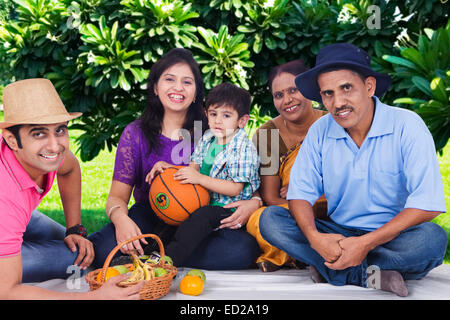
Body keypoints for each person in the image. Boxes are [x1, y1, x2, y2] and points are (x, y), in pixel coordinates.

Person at [259, 43, 448, 297]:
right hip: (337, 232)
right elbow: (299, 194)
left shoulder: (407, 125)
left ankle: (332, 269)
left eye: (346, 88)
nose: (338, 102)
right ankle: (369, 273)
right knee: (271, 220)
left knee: (432, 240)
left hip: (392, 235)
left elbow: (428, 203)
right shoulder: (311, 131)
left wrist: (365, 243)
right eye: (327, 93)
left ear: (369, 87)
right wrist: (315, 238)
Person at [89, 48, 261, 270]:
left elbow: (242, 178)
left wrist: (254, 203)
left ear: (196, 91)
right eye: (169, 79)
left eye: (187, 82)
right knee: (103, 250)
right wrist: (121, 220)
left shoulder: (212, 130)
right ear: (155, 87)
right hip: (153, 213)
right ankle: (164, 252)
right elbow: (116, 197)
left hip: (201, 218)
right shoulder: (135, 133)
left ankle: (155, 255)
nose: (178, 88)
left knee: (241, 250)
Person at [0, 78, 144, 299]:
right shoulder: (6, 198)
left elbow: (70, 168)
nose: (55, 145)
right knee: (75, 262)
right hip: (8, 210)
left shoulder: (47, 155)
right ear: (11, 140)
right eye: (38, 133)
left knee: (82, 250)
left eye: (59, 130)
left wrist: (74, 228)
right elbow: (6, 291)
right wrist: (94, 298)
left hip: (17, 215)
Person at [147, 82, 260, 267]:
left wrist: (199, 179)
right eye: (213, 114)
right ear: (206, 114)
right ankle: (150, 253)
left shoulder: (243, 149)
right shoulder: (208, 138)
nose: (218, 121)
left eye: (226, 115)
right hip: (202, 199)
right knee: (173, 214)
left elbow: (234, 188)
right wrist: (169, 168)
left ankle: (169, 261)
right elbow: (193, 168)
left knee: (201, 217)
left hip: (227, 207)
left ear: (242, 121)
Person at [248, 60, 328, 272]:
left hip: (335, 209)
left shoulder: (334, 123)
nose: (287, 100)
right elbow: (272, 198)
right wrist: (300, 204)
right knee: (261, 219)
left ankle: (295, 252)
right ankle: (320, 251)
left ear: (311, 89)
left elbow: (352, 182)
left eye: (294, 90)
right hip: (290, 212)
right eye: (279, 95)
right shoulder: (268, 135)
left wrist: (307, 188)